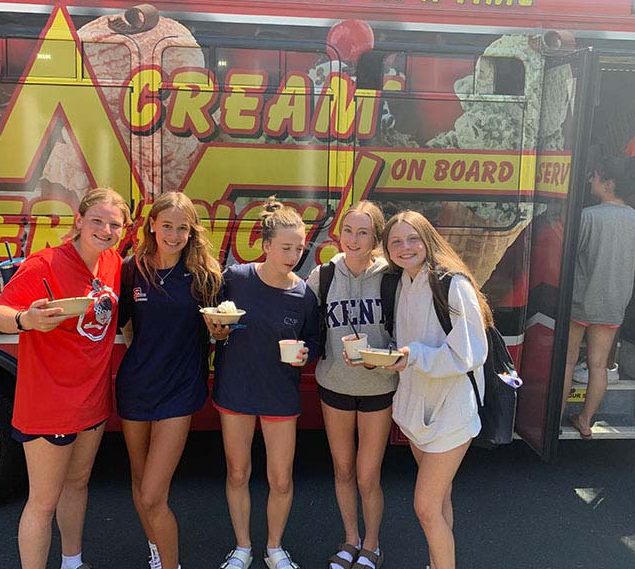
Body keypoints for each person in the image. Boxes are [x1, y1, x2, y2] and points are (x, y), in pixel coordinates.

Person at [0, 187, 130, 569]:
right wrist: (27, 319)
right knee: (42, 501)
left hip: (92, 402)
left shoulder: (113, 263)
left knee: (78, 484)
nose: (105, 230)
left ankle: (72, 562)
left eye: (114, 224)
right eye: (97, 221)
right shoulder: (46, 263)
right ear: (79, 221)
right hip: (49, 403)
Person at [205, 197, 321, 569]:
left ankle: (274, 548)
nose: (293, 255)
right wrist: (216, 330)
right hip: (235, 389)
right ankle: (242, 548)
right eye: (286, 247)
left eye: (299, 248)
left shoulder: (303, 295)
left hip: (280, 394)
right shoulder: (236, 279)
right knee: (238, 472)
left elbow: (314, 340)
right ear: (266, 245)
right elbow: (212, 320)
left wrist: (305, 354)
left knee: (281, 479)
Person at [381, 210, 492, 569]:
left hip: (451, 412)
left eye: (413, 238)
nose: (406, 247)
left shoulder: (452, 284)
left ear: (428, 239)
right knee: (440, 501)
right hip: (417, 411)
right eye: (396, 242)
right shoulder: (400, 282)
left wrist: (414, 356)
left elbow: (469, 353)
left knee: (425, 506)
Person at [117, 192, 222, 569]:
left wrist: (221, 332)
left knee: (152, 494)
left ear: (192, 232)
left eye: (182, 228)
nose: (174, 235)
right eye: (167, 226)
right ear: (152, 226)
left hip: (180, 389)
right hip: (136, 386)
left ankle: (170, 564)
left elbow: (221, 327)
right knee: (139, 479)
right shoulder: (133, 268)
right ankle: (157, 550)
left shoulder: (204, 274)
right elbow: (122, 324)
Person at [306, 201, 395, 569]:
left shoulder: (391, 277)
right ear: (338, 234)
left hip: (378, 387)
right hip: (335, 385)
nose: (353, 240)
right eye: (348, 231)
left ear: (375, 238)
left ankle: (372, 545)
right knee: (342, 470)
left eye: (363, 233)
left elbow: (408, 330)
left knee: (368, 475)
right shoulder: (324, 275)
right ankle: (350, 540)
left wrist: (383, 356)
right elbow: (305, 323)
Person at [562, 155, 635, 439]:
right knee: (599, 365)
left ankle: (553, 419)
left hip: (580, 301)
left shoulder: (587, 216)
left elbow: (569, 257)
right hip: (613, 303)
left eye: (595, 175)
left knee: (566, 362)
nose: (591, 179)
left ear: (608, 184)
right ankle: (585, 421)